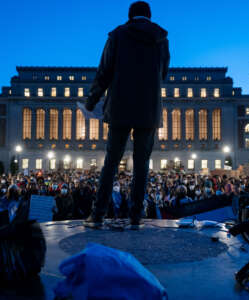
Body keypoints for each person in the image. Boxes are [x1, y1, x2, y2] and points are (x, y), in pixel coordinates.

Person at [83, 1, 170, 229]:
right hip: (148, 109)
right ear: (149, 16)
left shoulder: (117, 35)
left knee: (111, 162)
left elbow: (104, 71)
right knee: (142, 164)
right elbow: (164, 73)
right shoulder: (161, 39)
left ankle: (98, 215)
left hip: (120, 107)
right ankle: (135, 216)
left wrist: (91, 102)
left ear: (130, 16)